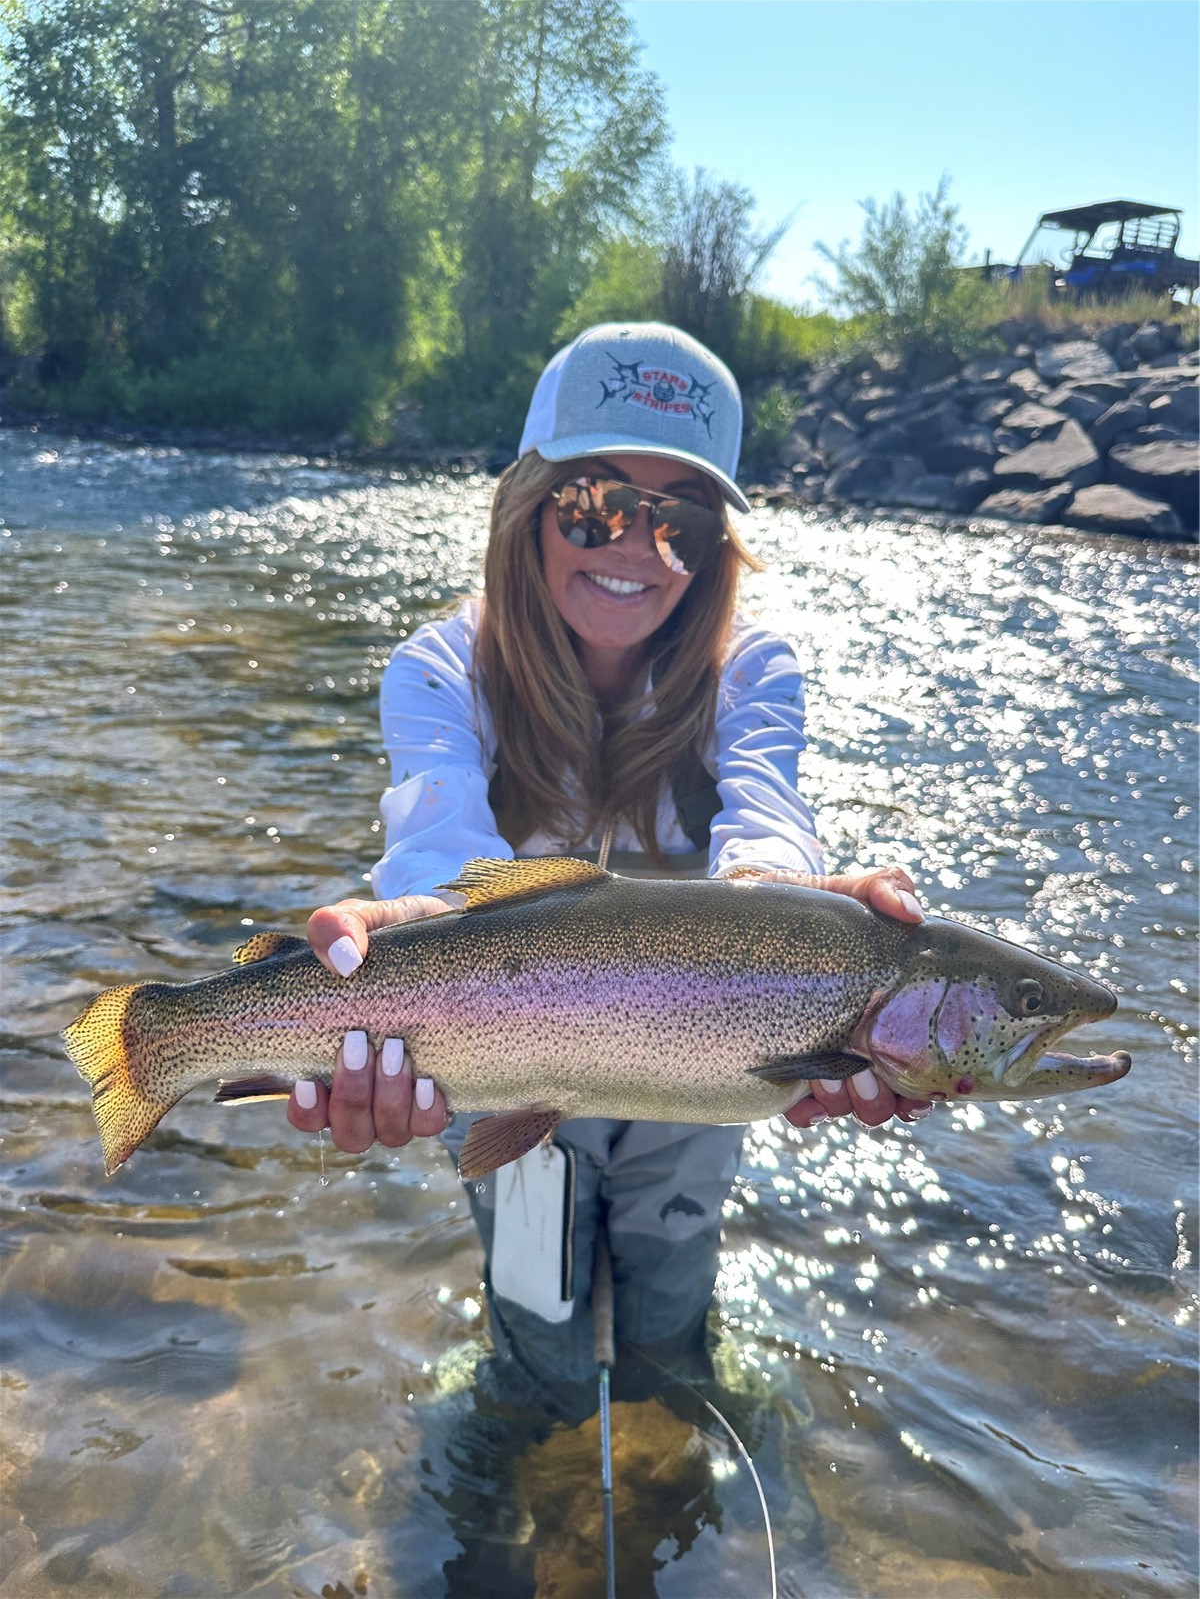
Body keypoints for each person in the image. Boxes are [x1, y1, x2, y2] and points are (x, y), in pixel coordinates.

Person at [285, 321, 931, 1423]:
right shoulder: (445, 667)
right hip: (497, 1052)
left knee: (671, 1322)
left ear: (714, 548)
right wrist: (398, 940)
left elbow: (769, 840)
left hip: (700, 1071)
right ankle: (530, 1435)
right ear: (530, 506)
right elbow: (441, 855)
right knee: (535, 1330)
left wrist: (821, 943)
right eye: (595, 504)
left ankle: (666, 1442)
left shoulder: (751, 670)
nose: (634, 546)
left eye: (678, 522)